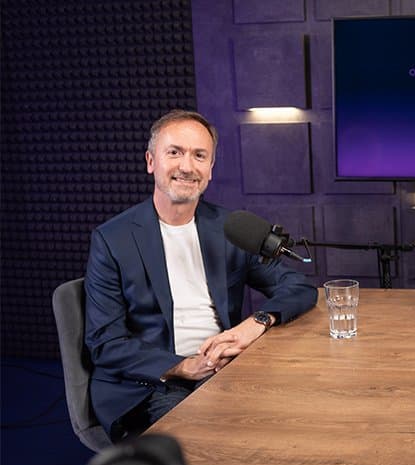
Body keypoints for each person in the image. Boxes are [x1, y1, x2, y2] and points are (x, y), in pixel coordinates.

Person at [84, 110, 317, 441]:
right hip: (153, 383)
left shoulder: (228, 228)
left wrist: (255, 323)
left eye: (199, 155)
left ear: (210, 169)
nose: (187, 166)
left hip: (223, 369)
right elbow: (105, 343)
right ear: (151, 161)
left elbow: (298, 287)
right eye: (174, 152)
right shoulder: (113, 239)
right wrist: (182, 366)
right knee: (212, 441)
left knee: (294, 420)